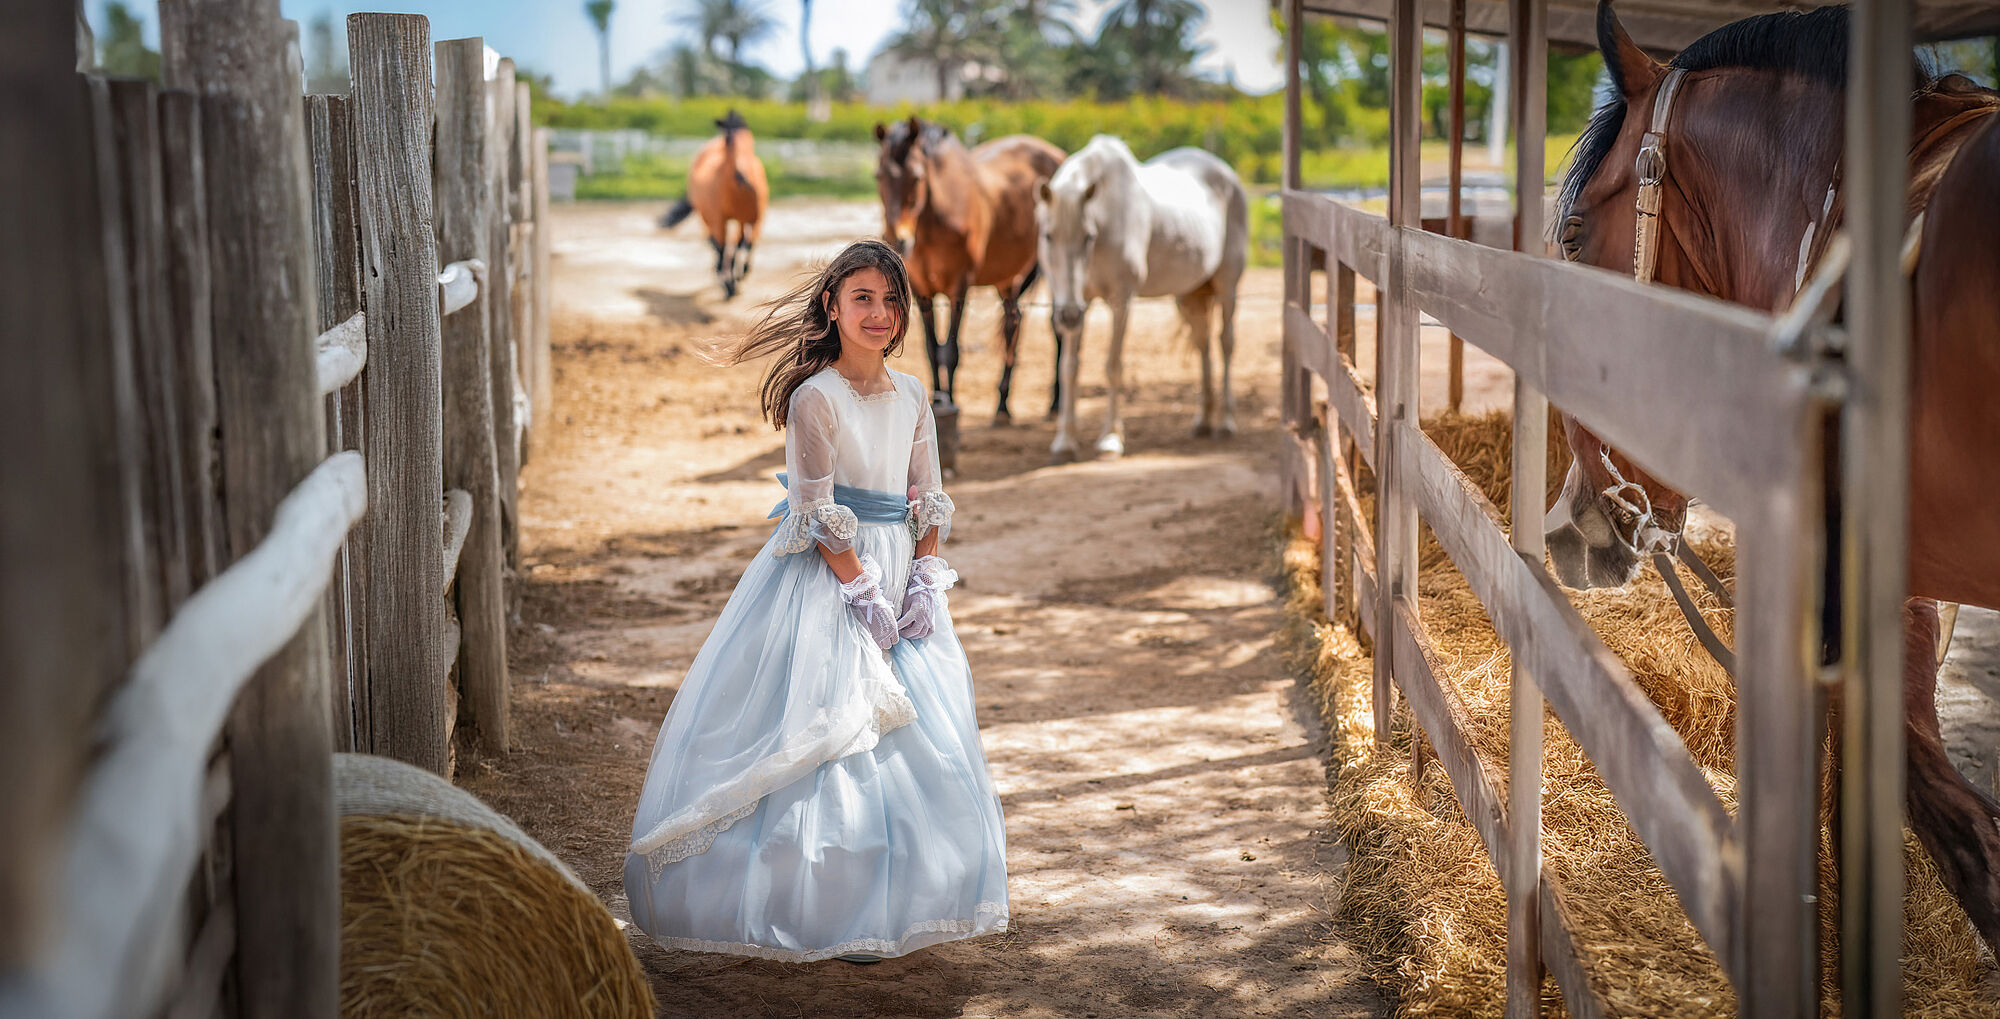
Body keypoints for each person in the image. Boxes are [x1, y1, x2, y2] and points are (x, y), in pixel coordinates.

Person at [623, 240, 1008, 963]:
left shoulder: (915, 395)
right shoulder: (815, 399)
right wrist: (861, 591)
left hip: (901, 570)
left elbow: (928, 497)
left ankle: (896, 898)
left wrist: (924, 577)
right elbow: (817, 512)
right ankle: (820, 897)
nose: (879, 313)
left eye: (891, 301)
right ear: (831, 307)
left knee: (915, 730)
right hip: (832, 578)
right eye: (862, 298)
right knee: (832, 724)